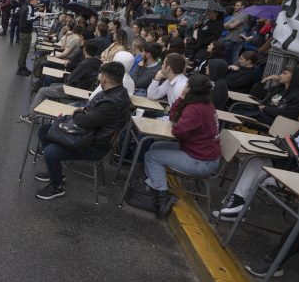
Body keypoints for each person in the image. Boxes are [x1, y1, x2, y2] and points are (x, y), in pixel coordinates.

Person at [34, 62, 132, 199]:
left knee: (51, 151)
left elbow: (84, 122)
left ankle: (57, 186)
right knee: (45, 130)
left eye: (100, 75)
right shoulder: (118, 92)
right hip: (91, 135)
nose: (98, 78)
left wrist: (77, 112)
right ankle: (55, 171)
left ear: (104, 78)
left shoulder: (111, 103)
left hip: (94, 144)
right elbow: (89, 113)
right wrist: (82, 113)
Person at [215, 106, 299, 224]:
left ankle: (236, 205)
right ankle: (237, 204)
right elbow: (296, 142)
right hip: (293, 165)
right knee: (253, 160)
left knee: (254, 167)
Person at [143, 74, 222, 218]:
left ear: (190, 88)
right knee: (156, 146)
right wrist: (181, 98)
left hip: (202, 160)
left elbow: (178, 131)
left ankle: (162, 197)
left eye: (186, 85)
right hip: (201, 153)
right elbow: (174, 118)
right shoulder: (206, 104)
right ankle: (155, 187)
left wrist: (181, 99)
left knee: (151, 156)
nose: (184, 87)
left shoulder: (195, 109)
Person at [21, 39, 102, 123]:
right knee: (52, 85)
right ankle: (47, 112)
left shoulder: (85, 63)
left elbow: (71, 78)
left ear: (84, 49)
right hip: (83, 90)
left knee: (42, 91)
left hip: (75, 90)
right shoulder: (97, 62)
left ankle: (32, 117)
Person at [232, 66, 299, 125]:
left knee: (238, 112)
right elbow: (255, 94)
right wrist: (265, 80)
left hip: (275, 122)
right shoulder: (280, 88)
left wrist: (265, 108)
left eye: (284, 73)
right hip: (262, 114)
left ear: (295, 77)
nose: (280, 75)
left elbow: (287, 114)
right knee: (236, 106)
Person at [15, 0, 39, 76]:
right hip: (25, 32)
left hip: (23, 31)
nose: (37, 2)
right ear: (31, 0)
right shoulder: (29, 7)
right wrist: (37, 16)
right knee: (24, 51)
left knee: (24, 51)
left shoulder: (24, 6)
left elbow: (17, 15)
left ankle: (23, 67)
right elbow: (28, 19)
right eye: (36, 0)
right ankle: (21, 69)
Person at [222, 1, 249, 65]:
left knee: (233, 57)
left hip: (235, 38)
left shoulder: (243, 14)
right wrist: (229, 26)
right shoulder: (236, 15)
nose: (235, 7)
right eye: (235, 5)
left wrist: (230, 26)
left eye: (237, 5)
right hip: (231, 38)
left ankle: (233, 70)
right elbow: (224, 25)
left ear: (243, 6)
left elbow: (232, 26)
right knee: (229, 56)